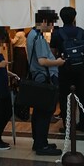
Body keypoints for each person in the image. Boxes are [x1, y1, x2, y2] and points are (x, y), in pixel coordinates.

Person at [27, 9, 65, 156]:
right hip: (45, 78)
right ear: (43, 22)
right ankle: (42, 145)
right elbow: (42, 61)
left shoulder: (32, 34)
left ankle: (38, 142)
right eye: (51, 24)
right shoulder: (38, 37)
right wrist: (58, 62)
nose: (52, 27)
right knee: (44, 113)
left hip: (38, 77)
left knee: (38, 113)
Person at [50, 6, 84, 133]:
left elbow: (53, 52)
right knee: (82, 97)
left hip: (64, 70)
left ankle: (68, 125)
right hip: (80, 70)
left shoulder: (57, 33)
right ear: (74, 17)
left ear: (61, 18)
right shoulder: (82, 32)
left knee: (64, 98)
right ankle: (83, 124)